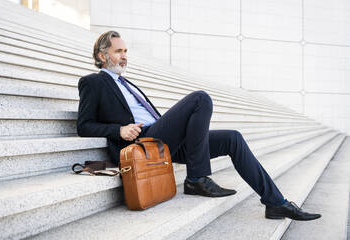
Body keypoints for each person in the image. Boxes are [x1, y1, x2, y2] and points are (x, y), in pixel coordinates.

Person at [77, 30, 321, 221]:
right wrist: (118, 130)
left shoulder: (127, 83)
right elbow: (84, 125)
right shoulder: (93, 83)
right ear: (102, 55)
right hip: (142, 142)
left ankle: (276, 203)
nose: (124, 56)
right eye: (119, 51)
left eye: (125, 51)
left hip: (161, 139)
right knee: (200, 98)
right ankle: (196, 177)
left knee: (232, 137)